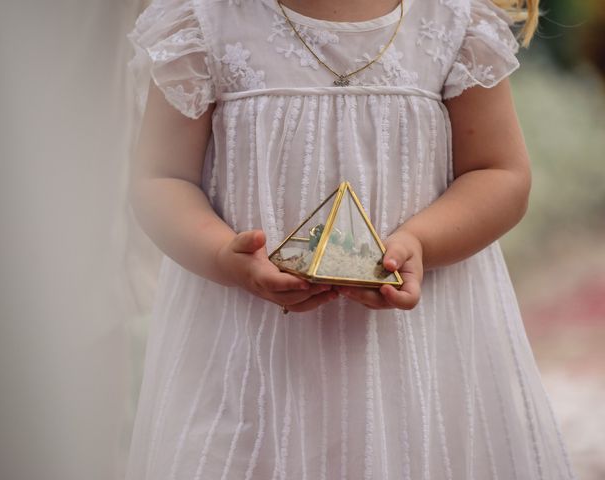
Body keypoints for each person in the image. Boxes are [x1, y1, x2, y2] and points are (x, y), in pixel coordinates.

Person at [125, 0, 576, 478]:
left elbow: (500, 173)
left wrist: (421, 241)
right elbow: (160, 178)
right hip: (248, 355)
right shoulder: (204, 21)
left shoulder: (454, 21)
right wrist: (222, 255)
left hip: (413, 353)